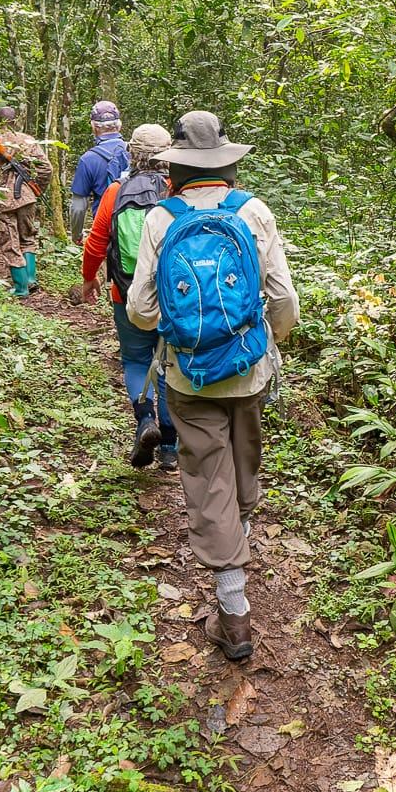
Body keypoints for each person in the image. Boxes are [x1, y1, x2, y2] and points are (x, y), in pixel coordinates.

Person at [126, 111, 297, 662]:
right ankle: (239, 535)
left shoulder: (160, 218)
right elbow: (284, 300)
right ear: (228, 162)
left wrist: (183, 328)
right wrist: (266, 343)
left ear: (175, 167)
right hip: (249, 370)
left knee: (208, 477)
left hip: (188, 375)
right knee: (245, 462)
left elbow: (142, 310)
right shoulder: (253, 211)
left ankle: (234, 611)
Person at [80, 123, 178, 472]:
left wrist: (89, 278)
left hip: (126, 293)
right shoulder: (176, 191)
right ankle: (169, 446)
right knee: (168, 364)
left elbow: (96, 242)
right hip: (173, 298)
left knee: (136, 360)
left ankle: (143, 421)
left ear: (131, 153)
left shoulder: (116, 192)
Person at [0, 105, 48, 297]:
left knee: (9, 241)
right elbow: (46, 168)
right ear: (17, 121)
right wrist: (35, 188)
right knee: (28, 237)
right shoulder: (28, 141)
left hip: (2, 200)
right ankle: (31, 279)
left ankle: (21, 287)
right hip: (26, 198)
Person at [67, 100, 129, 241]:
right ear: (119, 126)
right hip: (135, 227)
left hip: (104, 229)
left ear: (94, 127)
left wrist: (76, 235)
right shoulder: (135, 152)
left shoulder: (88, 159)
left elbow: (78, 207)